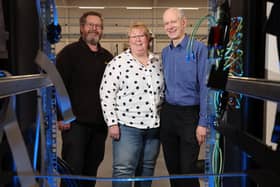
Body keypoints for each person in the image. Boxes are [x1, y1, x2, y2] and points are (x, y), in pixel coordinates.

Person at [99, 22, 164, 187]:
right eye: (133, 36)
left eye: (141, 35)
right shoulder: (118, 63)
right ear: (129, 40)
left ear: (148, 38)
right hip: (127, 126)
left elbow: (162, 91)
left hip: (154, 127)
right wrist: (112, 122)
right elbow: (106, 94)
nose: (137, 40)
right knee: (124, 170)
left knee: (147, 169)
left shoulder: (157, 62)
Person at [56, 11, 113, 187]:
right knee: (73, 170)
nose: (94, 29)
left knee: (91, 170)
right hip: (74, 124)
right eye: (90, 25)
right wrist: (62, 115)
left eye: (98, 26)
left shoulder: (108, 57)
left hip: (99, 125)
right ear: (82, 28)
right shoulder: (69, 53)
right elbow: (59, 85)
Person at [160, 8, 209, 187]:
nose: (170, 26)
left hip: (190, 116)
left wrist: (203, 123)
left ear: (183, 22)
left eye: (173, 22)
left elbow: (205, 88)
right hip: (168, 114)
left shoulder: (199, 49)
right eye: (166, 23)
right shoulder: (165, 53)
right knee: (173, 169)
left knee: (187, 170)